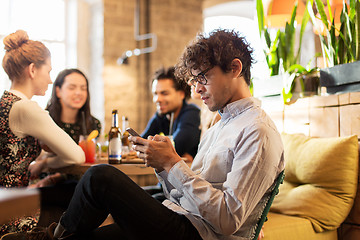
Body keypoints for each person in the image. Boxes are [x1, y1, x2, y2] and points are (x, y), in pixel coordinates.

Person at [1, 29, 284, 240]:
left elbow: (228, 219)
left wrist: (174, 165)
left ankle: (47, 237)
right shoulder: (219, 124)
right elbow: (183, 192)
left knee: (100, 177)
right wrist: (163, 166)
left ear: (234, 68)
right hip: (178, 214)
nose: (196, 90)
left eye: (202, 78)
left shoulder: (256, 131)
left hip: (198, 233)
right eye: (194, 80)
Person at [0, 30, 85, 237]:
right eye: (48, 71)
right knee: (86, 206)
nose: (49, 80)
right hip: (14, 215)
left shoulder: (5, 103)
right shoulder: (27, 108)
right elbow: (77, 156)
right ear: (32, 70)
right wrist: (46, 163)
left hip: (6, 202)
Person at [141, 66, 201, 161]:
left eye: (164, 93)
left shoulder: (191, 114)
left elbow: (175, 149)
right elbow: (141, 143)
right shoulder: (161, 116)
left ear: (181, 94)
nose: (157, 99)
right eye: (155, 94)